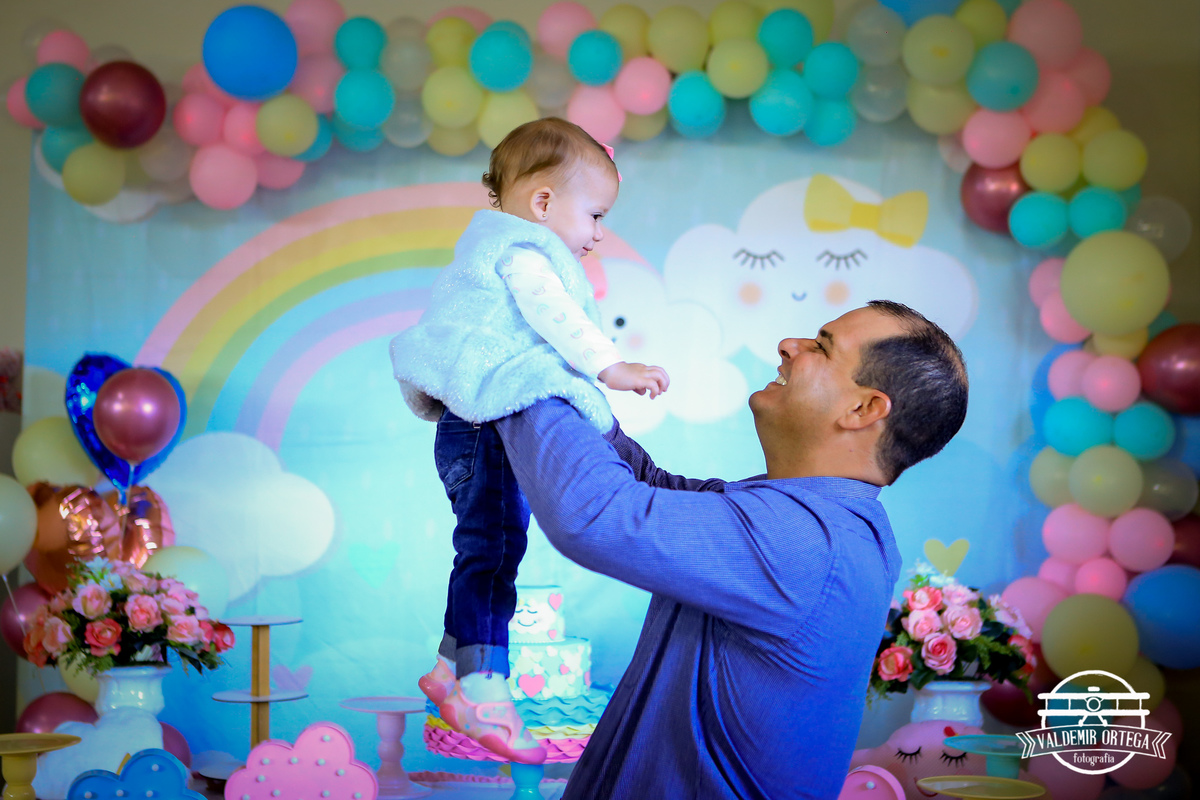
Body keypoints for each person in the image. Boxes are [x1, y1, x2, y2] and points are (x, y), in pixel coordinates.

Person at [492, 300, 969, 798]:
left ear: (863, 409)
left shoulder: (809, 539)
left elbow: (598, 514)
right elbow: (650, 487)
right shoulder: (819, 523)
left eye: (821, 347)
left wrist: (516, 364)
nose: (789, 345)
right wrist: (572, 389)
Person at [390, 118, 669, 764]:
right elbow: (556, 317)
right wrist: (610, 368)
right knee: (491, 553)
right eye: (594, 216)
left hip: (473, 425)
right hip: (483, 425)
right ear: (543, 204)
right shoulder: (523, 255)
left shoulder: (490, 252)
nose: (598, 234)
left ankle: (448, 666)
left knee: (486, 548)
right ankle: (483, 688)